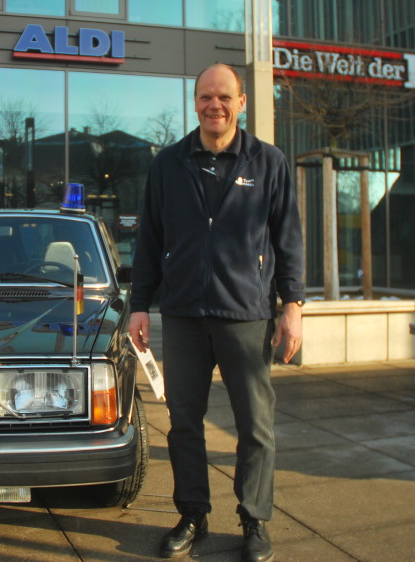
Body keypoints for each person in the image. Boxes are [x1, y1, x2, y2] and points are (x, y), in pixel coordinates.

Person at [128, 63, 304, 562]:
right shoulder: (168, 164)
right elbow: (149, 242)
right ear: (196, 103)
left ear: (241, 102)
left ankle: (254, 520)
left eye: (224, 97)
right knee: (184, 421)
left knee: (255, 425)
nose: (214, 105)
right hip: (183, 314)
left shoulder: (269, 163)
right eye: (206, 97)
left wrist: (292, 307)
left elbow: (289, 240)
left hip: (247, 314)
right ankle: (192, 516)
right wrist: (140, 305)